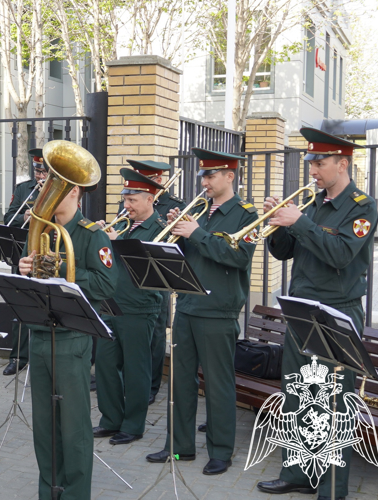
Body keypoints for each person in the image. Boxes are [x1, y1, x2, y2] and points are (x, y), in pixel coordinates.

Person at [257, 128, 376, 500]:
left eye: (319, 164)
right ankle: (297, 472)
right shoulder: (312, 202)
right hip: (301, 311)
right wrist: (278, 223)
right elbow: (283, 252)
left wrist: (300, 222)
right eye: (311, 163)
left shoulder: (362, 205)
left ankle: (333, 488)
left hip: (336, 312)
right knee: (296, 393)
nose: (313, 171)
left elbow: (341, 254)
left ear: (343, 164)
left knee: (334, 402)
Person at [145, 148, 258, 476]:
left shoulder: (246, 214)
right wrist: (176, 234)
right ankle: (178, 448)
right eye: (203, 176)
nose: (205, 182)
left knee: (218, 383)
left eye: (211, 176)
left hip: (219, 309)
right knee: (179, 380)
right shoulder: (200, 211)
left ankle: (221, 451)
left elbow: (239, 257)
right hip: (188, 304)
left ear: (229, 176)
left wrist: (197, 233)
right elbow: (184, 256)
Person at [17, 182, 117, 499]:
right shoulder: (40, 229)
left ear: (74, 191)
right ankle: (49, 491)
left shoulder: (91, 234)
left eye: (56, 186)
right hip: (40, 335)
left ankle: (75, 494)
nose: (46, 193)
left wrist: (62, 267)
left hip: (72, 338)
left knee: (73, 429)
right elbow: (27, 278)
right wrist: (23, 269)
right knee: (45, 429)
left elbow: (105, 285)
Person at [93, 168, 167, 445]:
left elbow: (149, 262)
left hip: (139, 305)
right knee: (106, 365)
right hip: (110, 302)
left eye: (133, 200)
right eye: (125, 199)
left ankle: (133, 425)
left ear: (150, 199)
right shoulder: (122, 224)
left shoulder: (160, 228)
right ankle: (111, 420)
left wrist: (117, 242)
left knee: (137, 369)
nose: (126, 206)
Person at [121, 159, 186, 405]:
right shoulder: (128, 206)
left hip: (152, 292)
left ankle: (151, 385)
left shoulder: (171, 206)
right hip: (128, 293)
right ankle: (133, 383)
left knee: (156, 336)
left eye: (151, 178)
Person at [0, 148, 48, 376]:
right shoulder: (23, 189)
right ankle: (17, 357)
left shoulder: (58, 190)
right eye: (38, 171)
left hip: (47, 255)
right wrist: (24, 217)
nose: (40, 176)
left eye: (44, 172)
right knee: (19, 307)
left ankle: (41, 357)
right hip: (23, 254)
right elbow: (9, 217)